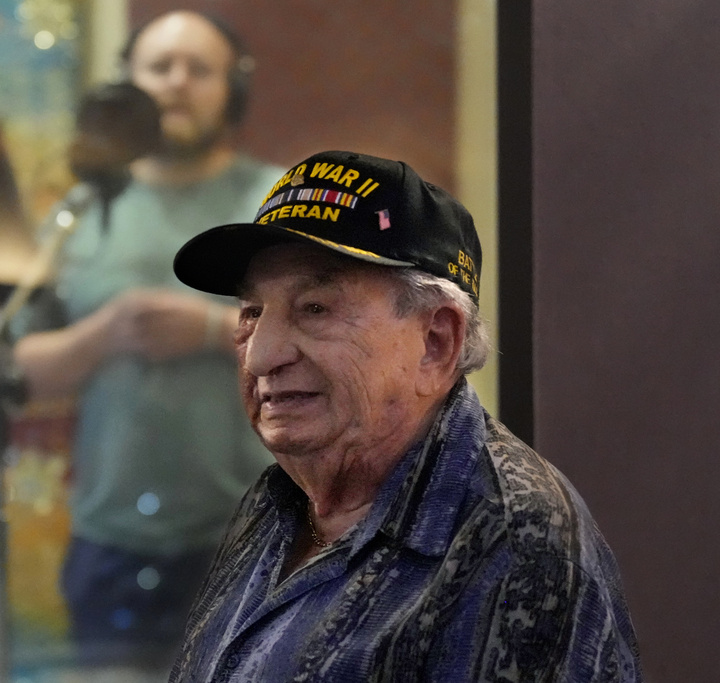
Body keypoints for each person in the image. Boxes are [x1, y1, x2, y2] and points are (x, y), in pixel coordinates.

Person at [167, 150, 643, 681]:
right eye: (252, 313)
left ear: (436, 344)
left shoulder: (510, 539)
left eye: (316, 309)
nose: (260, 355)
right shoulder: (279, 499)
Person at [11, 10, 280, 673]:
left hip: (259, 535)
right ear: (128, 86)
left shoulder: (278, 200)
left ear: (233, 89)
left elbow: (335, 342)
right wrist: (104, 334)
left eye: (200, 70)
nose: (178, 83)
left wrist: (216, 329)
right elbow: (16, 373)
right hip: (112, 546)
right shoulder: (79, 213)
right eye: (160, 68)